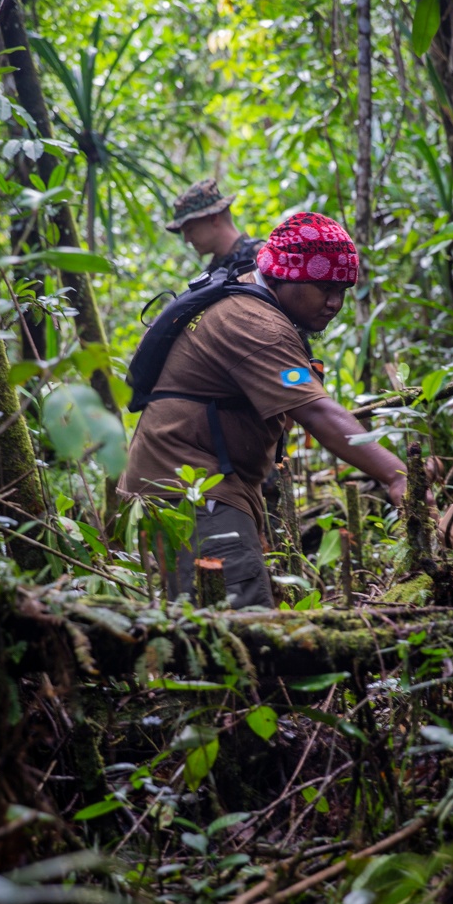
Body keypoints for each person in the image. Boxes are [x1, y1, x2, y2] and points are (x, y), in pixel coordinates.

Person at [119, 212, 408, 609]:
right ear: (283, 276)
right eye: (324, 288)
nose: (335, 303)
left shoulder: (253, 302)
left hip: (201, 485)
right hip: (190, 490)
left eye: (343, 290)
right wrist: (395, 474)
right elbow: (318, 413)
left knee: (212, 630)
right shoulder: (256, 324)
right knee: (244, 632)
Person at [166, 177, 264, 273]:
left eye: (190, 230)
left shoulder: (264, 259)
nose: (187, 239)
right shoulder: (211, 273)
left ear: (213, 218)